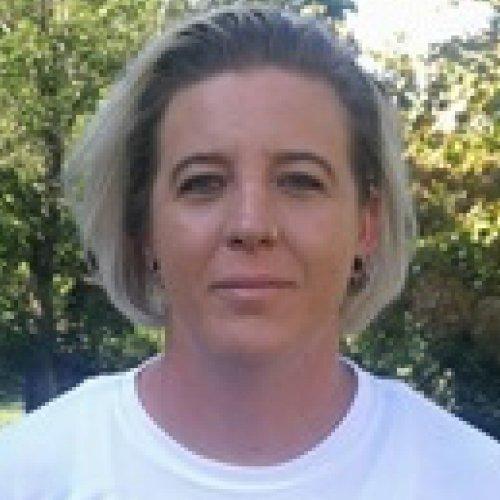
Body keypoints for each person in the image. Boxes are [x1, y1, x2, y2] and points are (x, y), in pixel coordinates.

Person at [0, 5, 498, 499]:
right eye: (203, 183)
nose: (251, 225)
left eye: (300, 182)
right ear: (143, 227)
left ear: (367, 223)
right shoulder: (29, 475)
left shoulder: (471, 479)